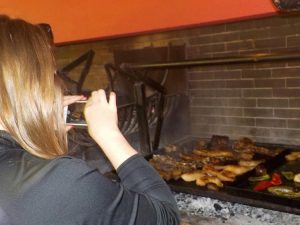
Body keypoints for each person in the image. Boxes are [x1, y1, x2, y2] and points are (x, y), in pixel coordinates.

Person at [0, 15, 180, 225]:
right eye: (51, 76)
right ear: (33, 88)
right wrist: (109, 134)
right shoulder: (60, 181)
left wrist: (38, 128)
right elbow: (166, 218)